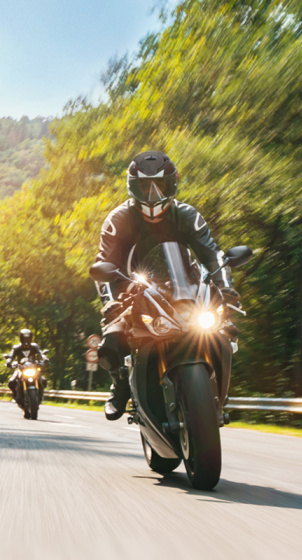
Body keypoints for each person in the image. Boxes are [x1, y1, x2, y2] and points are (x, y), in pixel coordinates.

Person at [91, 151, 240, 421]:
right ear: (132, 187)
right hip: (135, 293)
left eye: (159, 185)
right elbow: (103, 264)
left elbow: (213, 254)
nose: (152, 194)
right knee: (111, 342)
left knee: (224, 331)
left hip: (187, 291)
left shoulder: (187, 215)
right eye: (144, 186)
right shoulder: (118, 220)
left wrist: (226, 288)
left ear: (172, 184)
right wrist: (109, 302)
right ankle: (121, 384)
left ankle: (218, 394)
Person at [5, 329, 48, 409]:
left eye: (28, 338)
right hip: (20, 368)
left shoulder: (34, 346)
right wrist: (9, 361)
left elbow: (40, 353)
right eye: (25, 338)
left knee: (43, 380)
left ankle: (40, 396)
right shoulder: (16, 347)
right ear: (21, 338)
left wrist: (45, 358)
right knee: (11, 381)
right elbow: (11, 356)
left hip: (33, 368)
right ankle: (15, 396)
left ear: (31, 338)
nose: (26, 340)